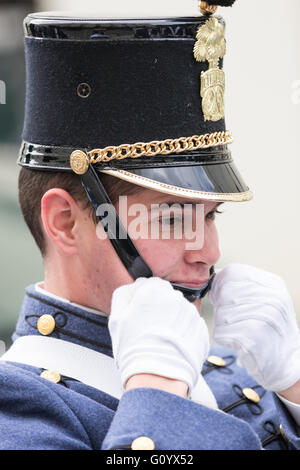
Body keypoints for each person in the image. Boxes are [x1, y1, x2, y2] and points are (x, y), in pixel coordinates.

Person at [1, 2, 300, 450]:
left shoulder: (223, 366)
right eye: (173, 217)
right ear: (65, 223)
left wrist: (295, 385)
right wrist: (157, 392)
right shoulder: (21, 406)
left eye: (210, 215)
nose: (208, 251)